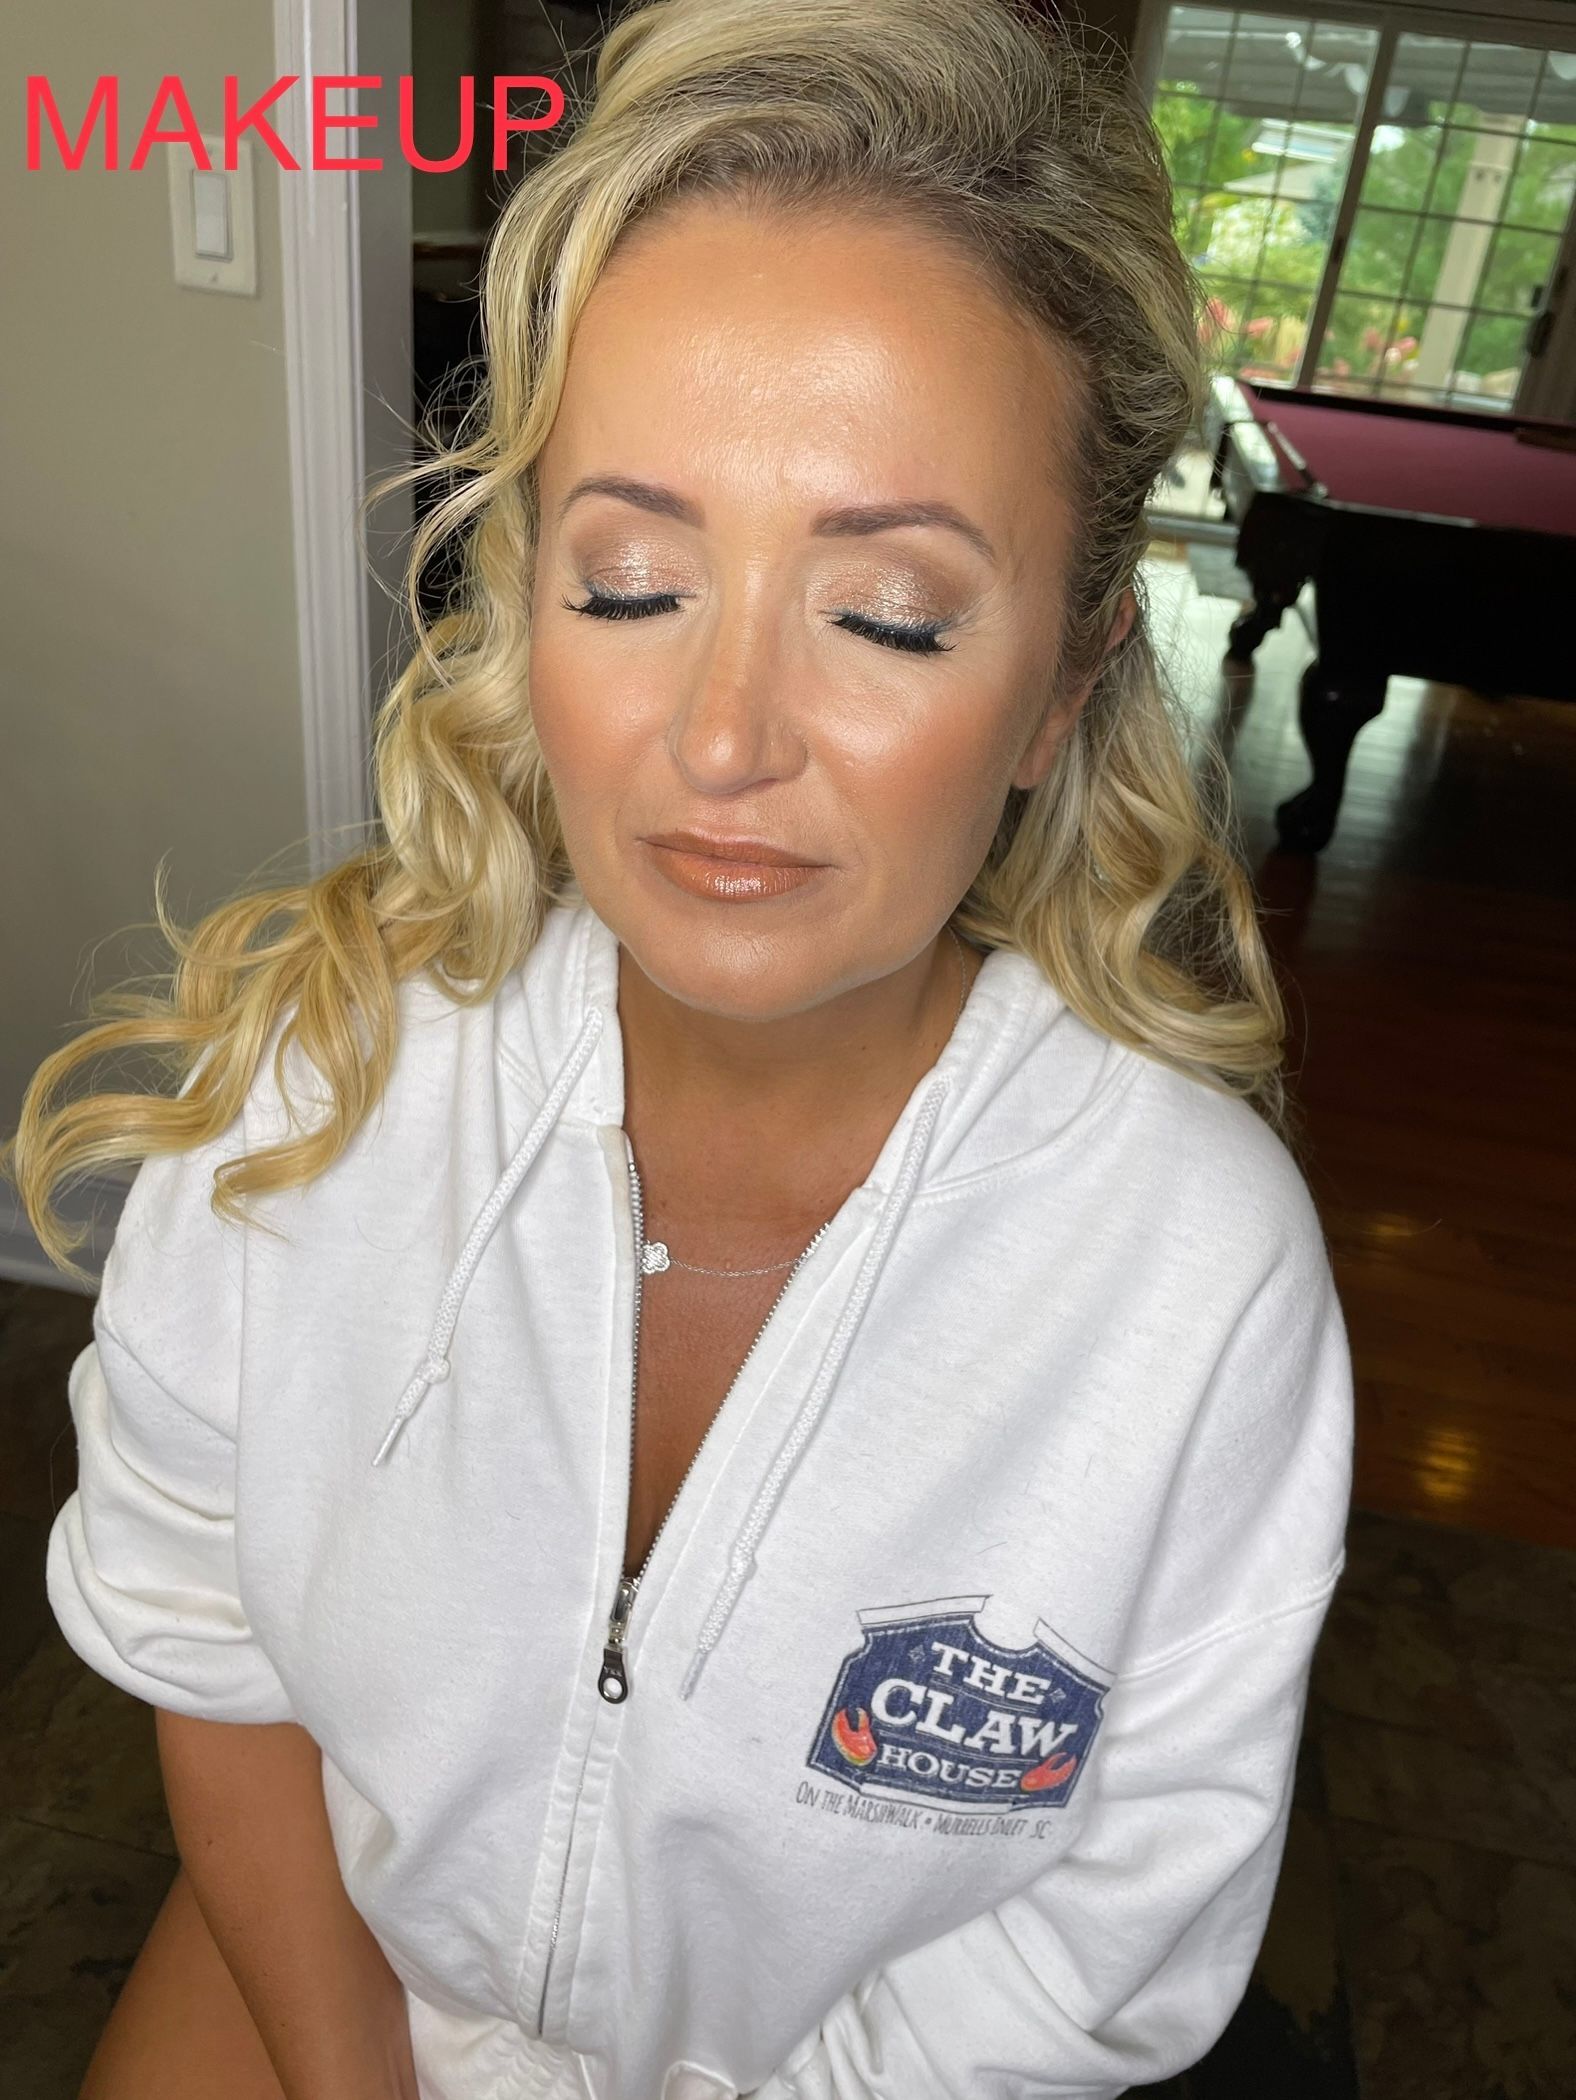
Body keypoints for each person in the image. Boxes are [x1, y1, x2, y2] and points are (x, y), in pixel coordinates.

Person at [4, 0, 1354, 2095]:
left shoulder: (1187, 1283)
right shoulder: (314, 1088)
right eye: (628, 579)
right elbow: (212, 1644)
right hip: (336, 1981)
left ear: (1067, 676)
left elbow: (1092, 1941)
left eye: (887, 614)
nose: (720, 739)